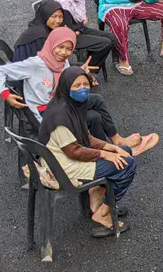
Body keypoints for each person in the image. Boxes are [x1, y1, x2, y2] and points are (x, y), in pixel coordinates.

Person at [0, 27, 157, 154]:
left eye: (68, 49)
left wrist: (80, 73)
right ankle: (111, 148)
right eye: (60, 47)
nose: (63, 52)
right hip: (46, 112)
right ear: (51, 43)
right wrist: (6, 94)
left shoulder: (62, 62)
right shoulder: (35, 64)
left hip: (60, 102)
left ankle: (109, 148)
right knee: (94, 112)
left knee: (95, 111)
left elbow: (65, 81)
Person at [38, 67, 137, 237]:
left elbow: (86, 136)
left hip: (66, 158)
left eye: (85, 84)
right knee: (127, 165)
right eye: (77, 85)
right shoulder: (60, 116)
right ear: (66, 86)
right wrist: (105, 154)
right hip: (64, 168)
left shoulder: (70, 106)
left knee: (124, 151)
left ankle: (101, 198)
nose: (82, 89)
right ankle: (102, 213)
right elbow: (74, 151)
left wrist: (111, 147)